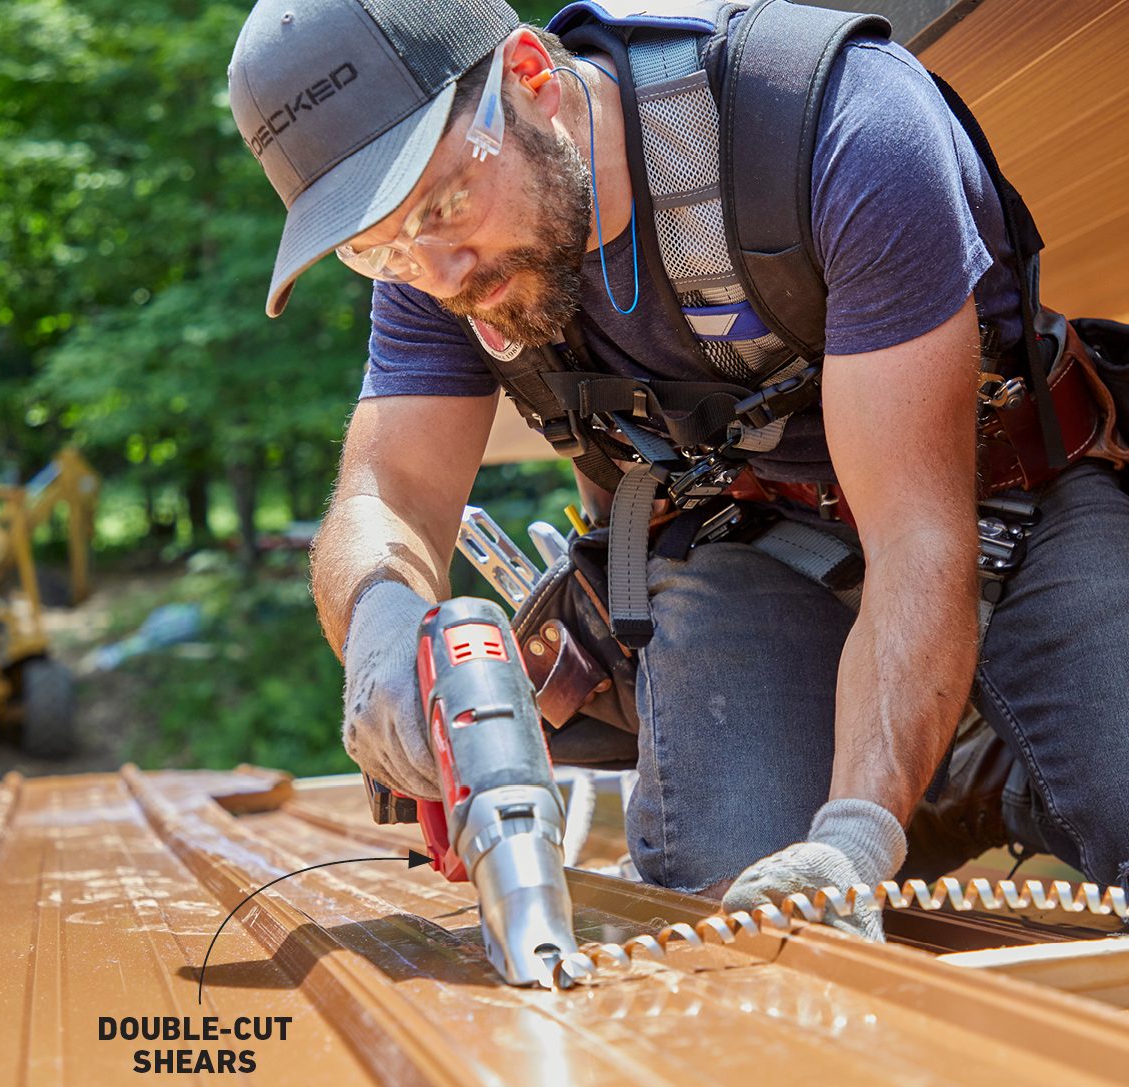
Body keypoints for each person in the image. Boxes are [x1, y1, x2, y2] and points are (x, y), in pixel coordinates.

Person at [228, 0, 1129, 938]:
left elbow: (916, 534)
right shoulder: (438, 266)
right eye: (377, 249)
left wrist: (854, 839)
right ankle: (937, 771)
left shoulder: (834, 127)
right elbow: (391, 493)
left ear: (530, 78)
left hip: (1007, 499)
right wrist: (379, 624)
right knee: (733, 916)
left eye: (446, 202)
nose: (442, 270)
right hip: (758, 540)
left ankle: (966, 763)